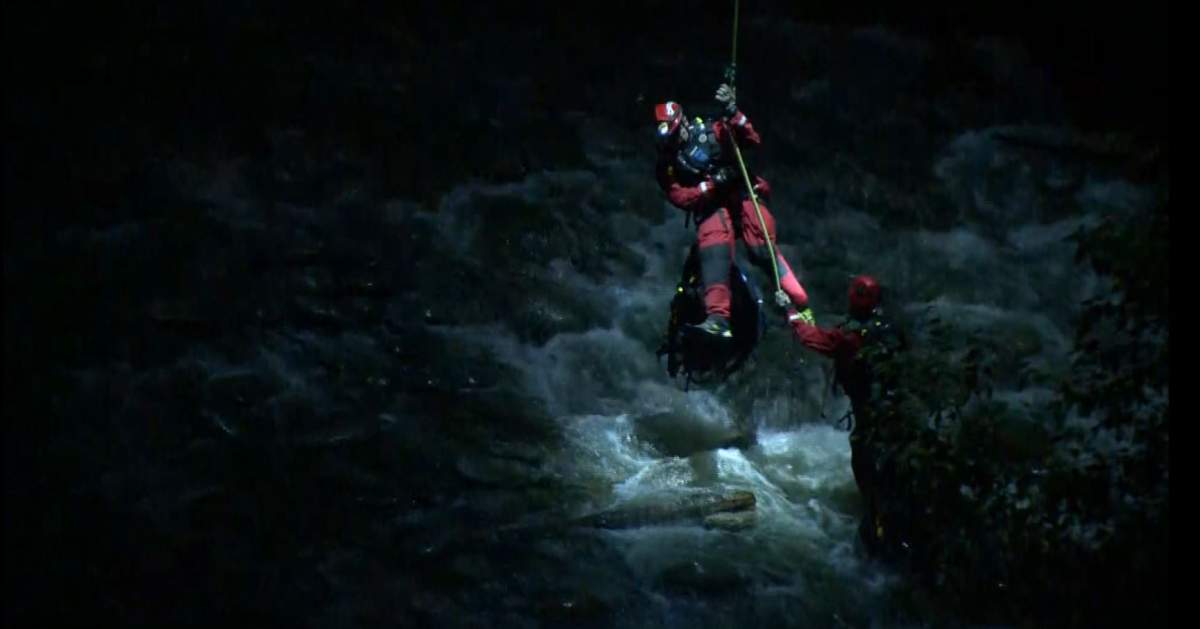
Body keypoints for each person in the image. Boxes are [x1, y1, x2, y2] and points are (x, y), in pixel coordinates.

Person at [654, 83, 813, 340]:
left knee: (760, 247)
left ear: (683, 123)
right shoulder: (668, 163)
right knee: (713, 246)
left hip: (741, 194)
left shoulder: (712, 131)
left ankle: (798, 301)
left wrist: (732, 111)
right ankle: (718, 318)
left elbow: (751, 139)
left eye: (675, 134)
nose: (674, 142)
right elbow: (678, 196)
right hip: (712, 205)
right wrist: (707, 187)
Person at [783, 275, 909, 553]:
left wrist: (791, 315)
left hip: (871, 415)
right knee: (887, 467)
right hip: (896, 411)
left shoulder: (851, 337)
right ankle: (887, 517)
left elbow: (813, 338)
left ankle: (877, 525)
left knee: (867, 465)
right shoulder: (887, 329)